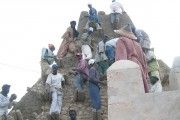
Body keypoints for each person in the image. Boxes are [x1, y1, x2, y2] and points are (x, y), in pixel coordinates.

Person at [114, 24, 149, 93]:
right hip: (139, 67)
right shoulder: (138, 45)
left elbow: (121, 59)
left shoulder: (121, 40)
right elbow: (144, 62)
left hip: (129, 66)